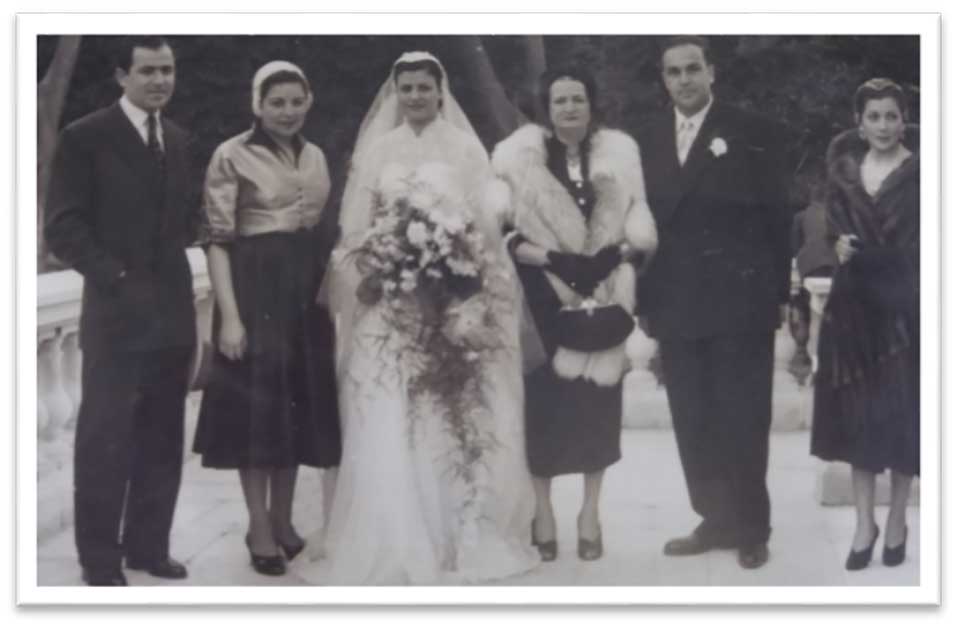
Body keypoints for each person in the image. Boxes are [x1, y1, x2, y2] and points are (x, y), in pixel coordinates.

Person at [293, 51, 539, 585]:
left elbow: (483, 227)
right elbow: (359, 227)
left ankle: (458, 531)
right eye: (406, 88)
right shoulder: (379, 149)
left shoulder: (463, 148)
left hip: (449, 297)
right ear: (396, 93)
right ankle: (395, 530)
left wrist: (459, 276)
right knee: (389, 412)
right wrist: (381, 265)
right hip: (393, 301)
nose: (415, 97)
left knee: (452, 409)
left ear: (440, 90)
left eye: (424, 88)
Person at [44, 36, 198, 586]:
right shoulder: (85, 137)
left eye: (168, 70)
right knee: (104, 440)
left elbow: (180, 223)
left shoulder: (178, 140)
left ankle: (148, 547)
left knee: (163, 436)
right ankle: (100, 558)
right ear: (121, 76)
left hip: (174, 316)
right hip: (114, 317)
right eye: (148, 70)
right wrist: (118, 277)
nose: (160, 80)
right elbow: (62, 227)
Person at [635, 36, 791, 570]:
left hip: (738, 301)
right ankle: (714, 518)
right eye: (673, 72)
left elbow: (777, 220)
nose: (683, 80)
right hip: (676, 301)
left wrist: (777, 297)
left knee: (742, 416)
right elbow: (645, 224)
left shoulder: (750, 132)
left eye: (692, 69)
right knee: (693, 417)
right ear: (664, 80)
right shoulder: (649, 139)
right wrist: (646, 302)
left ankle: (751, 525)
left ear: (711, 73)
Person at [490, 66, 658, 562]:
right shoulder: (515, 158)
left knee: (597, 408)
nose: (569, 108)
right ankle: (543, 511)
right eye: (559, 100)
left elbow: (639, 219)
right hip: (545, 295)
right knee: (541, 407)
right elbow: (500, 229)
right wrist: (554, 260)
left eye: (577, 99)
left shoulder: (620, 154)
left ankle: (590, 512)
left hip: (604, 292)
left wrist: (614, 256)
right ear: (545, 107)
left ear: (592, 104)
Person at [192, 61, 341, 577]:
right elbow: (217, 240)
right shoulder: (231, 154)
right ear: (257, 104)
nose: (287, 111)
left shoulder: (317, 155)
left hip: (304, 295)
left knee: (294, 409)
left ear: (309, 101)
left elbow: (323, 231)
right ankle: (257, 523)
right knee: (257, 416)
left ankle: (282, 519)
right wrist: (229, 318)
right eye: (276, 102)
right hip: (254, 291)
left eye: (296, 101)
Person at [811, 78, 919, 571]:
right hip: (853, 312)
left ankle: (897, 518)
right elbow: (831, 234)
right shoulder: (843, 176)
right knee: (858, 423)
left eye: (891, 116)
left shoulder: (927, 174)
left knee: (902, 422)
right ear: (859, 123)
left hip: (904, 311)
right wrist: (837, 248)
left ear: (904, 120)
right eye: (873, 116)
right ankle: (863, 523)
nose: (883, 126)